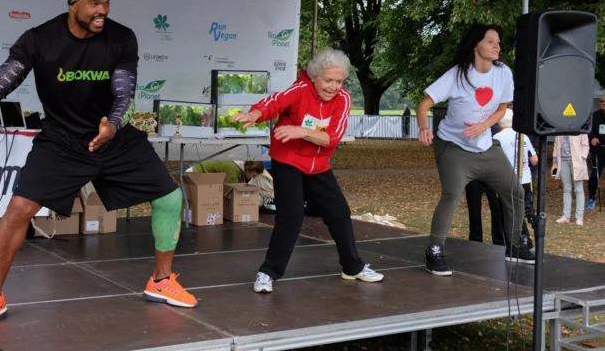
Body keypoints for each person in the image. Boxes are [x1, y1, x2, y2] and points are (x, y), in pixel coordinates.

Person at [0, 0, 197, 329]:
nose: (102, 10)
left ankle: (162, 281)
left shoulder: (122, 38)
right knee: (19, 208)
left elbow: (124, 92)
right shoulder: (40, 39)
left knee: (169, 197)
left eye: (106, 3)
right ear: (73, 5)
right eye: (94, 4)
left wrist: (114, 124)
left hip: (114, 137)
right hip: (62, 140)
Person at [231, 49, 384, 293]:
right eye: (328, 80)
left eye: (338, 81)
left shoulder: (343, 99)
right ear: (314, 76)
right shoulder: (300, 89)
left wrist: (302, 131)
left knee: (339, 212)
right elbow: (274, 103)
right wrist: (255, 114)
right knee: (291, 215)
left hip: (319, 165)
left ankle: (352, 267)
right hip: (289, 159)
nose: (333, 87)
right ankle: (268, 272)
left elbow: (332, 139)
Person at [416, 24, 533, 276]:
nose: (497, 46)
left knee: (515, 191)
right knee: (451, 195)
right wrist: (424, 128)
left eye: (498, 41)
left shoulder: (503, 73)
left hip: (486, 147)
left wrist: (483, 125)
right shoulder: (458, 74)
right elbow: (424, 104)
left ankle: (514, 245)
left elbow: (502, 109)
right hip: (454, 147)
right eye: (491, 41)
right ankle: (434, 250)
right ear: (476, 45)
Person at [492, 108, 537, 249]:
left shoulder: (497, 138)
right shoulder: (523, 135)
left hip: (509, 180)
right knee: (524, 210)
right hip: (526, 180)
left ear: (499, 121)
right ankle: (528, 237)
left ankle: (523, 241)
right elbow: (534, 160)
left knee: (511, 211)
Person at [553, 133, 590, 226]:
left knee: (579, 189)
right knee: (567, 188)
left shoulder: (579, 125)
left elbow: (585, 145)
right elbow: (556, 145)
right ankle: (566, 216)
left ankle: (579, 217)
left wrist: (582, 157)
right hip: (563, 161)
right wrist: (555, 161)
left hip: (577, 161)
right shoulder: (561, 127)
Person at [587, 96, 605, 209]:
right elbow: (589, 130)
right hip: (598, 150)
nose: (603, 103)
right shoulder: (594, 116)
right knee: (595, 175)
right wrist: (592, 138)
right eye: (602, 101)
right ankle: (591, 198)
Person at [186, 160, 265, 184]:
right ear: (248, 168)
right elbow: (231, 190)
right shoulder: (233, 170)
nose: (254, 178)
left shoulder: (238, 166)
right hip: (195, 174)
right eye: (253, 175)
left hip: (199, 175)